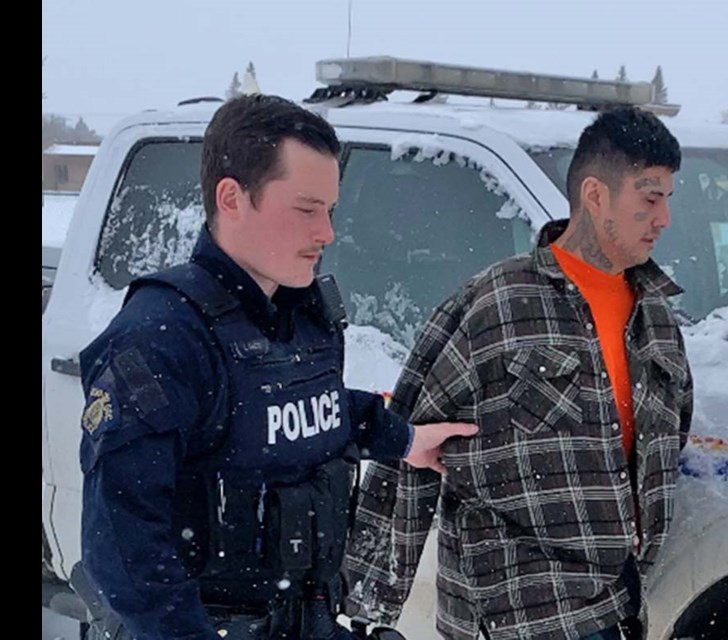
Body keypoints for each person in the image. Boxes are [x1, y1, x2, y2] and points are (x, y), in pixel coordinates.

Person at [77, 94, 477, 640]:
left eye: (330, 211)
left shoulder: (300, 313)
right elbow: (123, 552)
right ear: (232, 198)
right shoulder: (161, 336)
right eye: (306, 209)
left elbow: (307, 413)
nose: (327, 234)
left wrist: (406, 439)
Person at [344, 107, 693, 640]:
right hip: (514, 611)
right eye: (650, 198)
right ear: (595, 195)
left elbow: (664, 447)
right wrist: (371, 604)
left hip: (617, 606)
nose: (665, 218)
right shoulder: (497, 306)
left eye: (668, 198)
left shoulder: (657, 318)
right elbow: (407, 446)